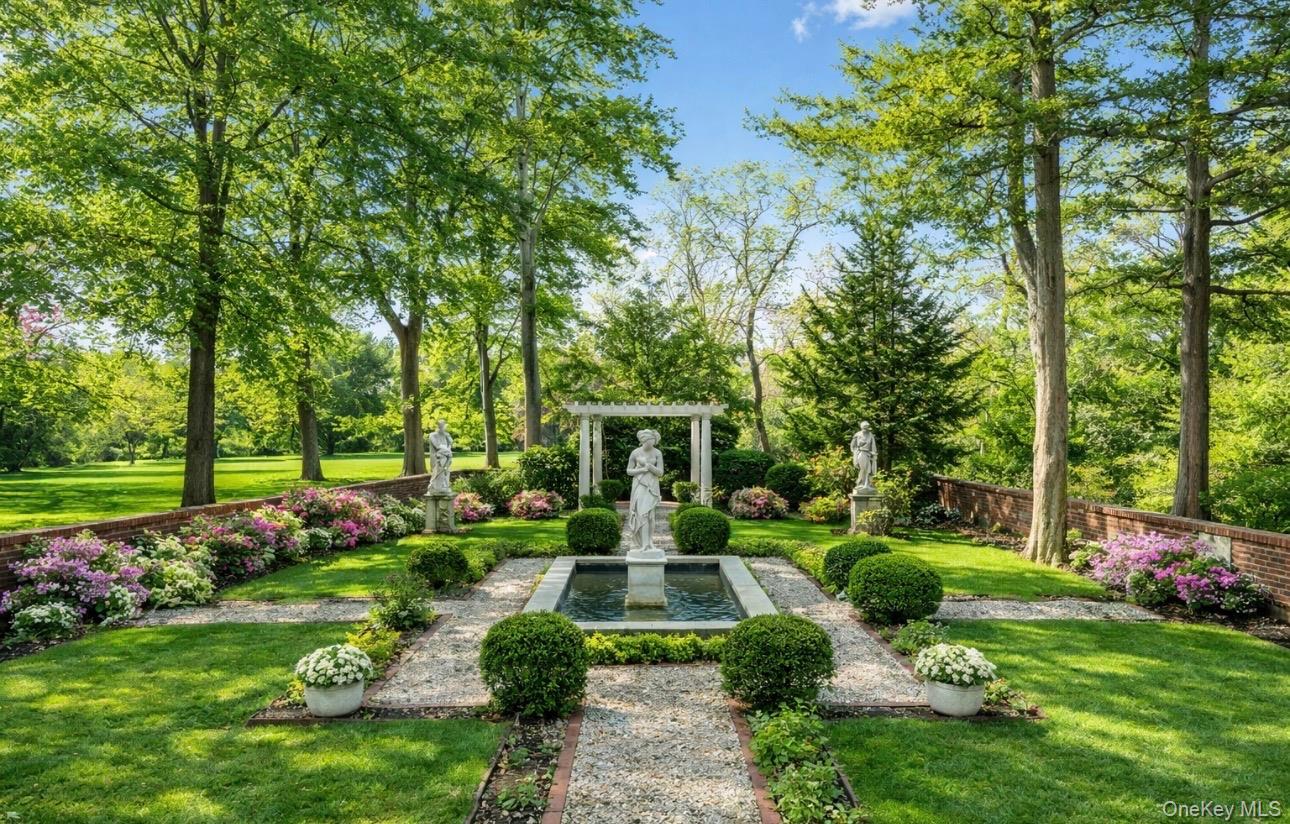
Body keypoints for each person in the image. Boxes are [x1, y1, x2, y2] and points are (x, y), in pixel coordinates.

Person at [626, 429, 664, 553]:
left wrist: (650, 466)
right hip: (640, 485)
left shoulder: (657, 453)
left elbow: (661, 472)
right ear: (644, 440)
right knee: (642, 514)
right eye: (650, 441)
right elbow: (629, 471)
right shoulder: (635, 452)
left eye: (653, 441)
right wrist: (641, 470)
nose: (652, 443)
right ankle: (644, 544)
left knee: (651, 516)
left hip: (652, 486)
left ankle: (650, 542)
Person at [428, 419, 453, 494]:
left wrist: (447, 437)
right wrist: (447, 451)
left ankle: (444, 486)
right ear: (438, 426)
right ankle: (435, 487)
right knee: (437, 472)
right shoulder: (433, 435)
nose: (443, 428)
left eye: (444, 426)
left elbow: (450, 443)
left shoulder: (446, 435)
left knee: (446, 471)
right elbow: (437, 446)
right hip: (437, 457)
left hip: (446, 456)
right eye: (441, 426)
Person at [850, 421, 877, 492]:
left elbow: (873, 445)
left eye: (867, 427)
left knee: (868, 469)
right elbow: (853, 446)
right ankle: (861, 483)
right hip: (861, 454)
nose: (866, 429)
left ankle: (866, 484)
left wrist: (874, 453)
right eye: (864, 427)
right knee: (864, 468)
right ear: (862, 427)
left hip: (868, 454)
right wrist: (856, 453)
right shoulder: (857, 435)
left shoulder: (870, 435)